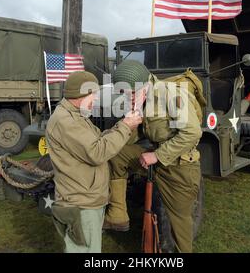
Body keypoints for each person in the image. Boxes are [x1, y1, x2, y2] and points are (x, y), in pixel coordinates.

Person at [103, 61, 203, 253]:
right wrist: (120, 131)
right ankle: (117, 214)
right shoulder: (142, 100)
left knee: (179, 223)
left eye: (131, 93)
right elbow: (140, 133)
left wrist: (157, 156)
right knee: (117, 154)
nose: (128, 98)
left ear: (145, 84)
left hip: (179, 167)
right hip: (155, 159)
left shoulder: (171, 94)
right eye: (124, 93)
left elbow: (192, 133)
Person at [46, 71, 142, 253]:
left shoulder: (76, 116)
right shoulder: (66, 121)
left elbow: (98, 139)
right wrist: (125, 127)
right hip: (81, 205)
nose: (96, 99)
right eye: (94, 94)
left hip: (86, 201)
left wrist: (124, 125)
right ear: (80, 94)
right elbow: (97, 152)